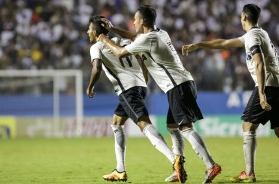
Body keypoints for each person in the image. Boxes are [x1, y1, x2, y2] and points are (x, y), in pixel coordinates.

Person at [97, 5, 221, 184]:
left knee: (186, 128)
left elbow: (120, 52)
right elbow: (134, 37)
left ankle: (211, 166)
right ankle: (179, 169)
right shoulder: (161, 33)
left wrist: (103, 38)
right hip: (182, 83)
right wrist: (113, 29)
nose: (133, 22)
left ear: (143, 21)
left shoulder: (149, 38)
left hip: (177, 85)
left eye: (135, 19)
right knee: (172, 126)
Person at [182, 4, 279, 183]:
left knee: (248, 126)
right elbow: (224, 43)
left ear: (244, 18)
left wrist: (262, 92)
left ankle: (249, 174)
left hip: (269, 85)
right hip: (277, 84)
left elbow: (259, 63)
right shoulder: (260, 33)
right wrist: (199, 44)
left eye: (241, 17)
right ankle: (249, 172)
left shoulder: (252, 37)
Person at [86, 15, 183, 183]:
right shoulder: (121, 41)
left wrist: (90, 86)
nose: (88, 32)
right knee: (116, 123)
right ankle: (120, 170)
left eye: (89, 29)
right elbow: (141, 58)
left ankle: (174, 160)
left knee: (144, 125)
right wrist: (143, 81)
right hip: (140, 86)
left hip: (127, 90)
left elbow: (96, 67)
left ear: (94, 31)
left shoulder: (97, 46)